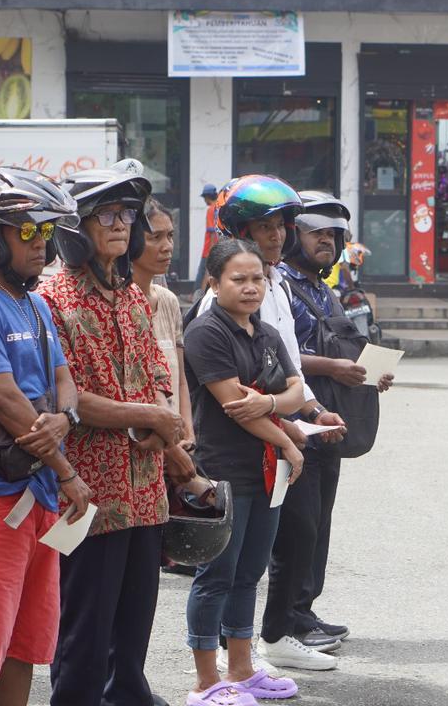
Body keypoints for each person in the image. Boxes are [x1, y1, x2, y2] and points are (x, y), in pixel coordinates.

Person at [41, 166, 189, 706]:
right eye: (105, 215)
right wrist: (147, 415)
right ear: (75, 226)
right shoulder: (52, 297)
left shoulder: (131, 294)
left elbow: (157, 375)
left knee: (133, 632)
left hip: (144, 493)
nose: (121, 224)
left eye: (127, 214)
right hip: (89, 495)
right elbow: (66, 397)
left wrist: (160, 422)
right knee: (83, 633)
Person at [0, 168, 92, 706]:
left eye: (46, 232)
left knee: (28, 638)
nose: (42, 244)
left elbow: (65, 380)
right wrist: (68, 471)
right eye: (28, 232)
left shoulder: (35, 305)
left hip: (40, 492)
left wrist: (67, 419)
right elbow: (5, 399)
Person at [264, 191, 394, 673]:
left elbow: (340, 346)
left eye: (334, 235)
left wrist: (369, 372)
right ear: (294, 235)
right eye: (317, 233)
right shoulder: (280, 284)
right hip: (298, 421)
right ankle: (288, 622)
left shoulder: (323, 288)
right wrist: (334, 368)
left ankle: (304, 610)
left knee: (319, 523)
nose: (327, 242)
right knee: (297, 528)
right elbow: (282, 353)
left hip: (330, 420)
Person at [184, 238, 306, 706]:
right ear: (214, 283)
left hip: (267, 473)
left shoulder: (266, 333)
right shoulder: (206, 332)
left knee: (250, 573)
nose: (251, 287)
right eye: (239, 279)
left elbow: (295, 392)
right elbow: (235, 406)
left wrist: (270, 402)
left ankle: (241, 669)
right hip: (224, 471)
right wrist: (287, 441)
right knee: (216, 575)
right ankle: (205, 682)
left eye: (258, 278)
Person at [135, 198, 203, 577]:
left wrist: (187, 431)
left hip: (176, 439)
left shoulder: (169, 301)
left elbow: (178, 374)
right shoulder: (121, 303)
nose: (167, 246)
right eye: (155, 237)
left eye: (170, 236)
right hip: (145, 443)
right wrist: (171, 447)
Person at [195, 183, 220, 289]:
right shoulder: (219, 208)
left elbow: (212, 232)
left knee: (201, 276)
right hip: (217, 248)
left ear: (207, 197)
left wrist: (210, 252)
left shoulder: (211, 209)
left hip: (208, 250)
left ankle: (197, 296)